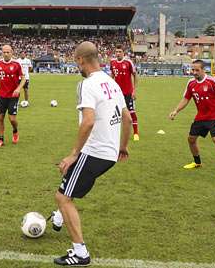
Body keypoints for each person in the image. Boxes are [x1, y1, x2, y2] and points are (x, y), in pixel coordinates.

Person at [53, 42, 132, 266]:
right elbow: (127, 119)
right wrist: (123, 147)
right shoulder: (112, 82)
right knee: (70, 185)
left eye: (75, 60)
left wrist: (73, 153)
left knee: (62, 197)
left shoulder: (86, 84)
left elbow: (87, 122)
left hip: (94, 151)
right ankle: (59, 216)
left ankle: (80, 253)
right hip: (109, 154)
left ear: (80, 60)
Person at [169, 60, 215, 183]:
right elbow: (186, 99)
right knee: (191, 139)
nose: (194, 72)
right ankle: (197, 162)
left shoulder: (212, 81)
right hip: (201, 117)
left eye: (197, 70)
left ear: (204, 70)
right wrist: (176, 111)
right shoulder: (191, 83)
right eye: (193, 70)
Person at [0, 45, 26, 147]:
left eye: (8, 52)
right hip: (1, 95)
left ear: (12, 52)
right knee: (0, 118)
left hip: (13, 96)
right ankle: (1, 139)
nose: (6, 54)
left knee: (12, 119)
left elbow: (23, 78)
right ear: (2, 53)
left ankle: (15, 130)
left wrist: (18, 88)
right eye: (4, 52)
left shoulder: (16, 64)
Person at [110, 44, 139, 141]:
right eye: (116, 52)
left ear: (123, 53)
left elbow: (135, 76)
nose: (118, 53)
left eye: (120, 52)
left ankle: (135, 133)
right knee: (116, 113)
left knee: (131, 112)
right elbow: (112, 76)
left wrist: (134, 91)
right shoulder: (112, 62)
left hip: (128, 93)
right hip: (117, 94)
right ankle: (115, 134)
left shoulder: (128, 62)